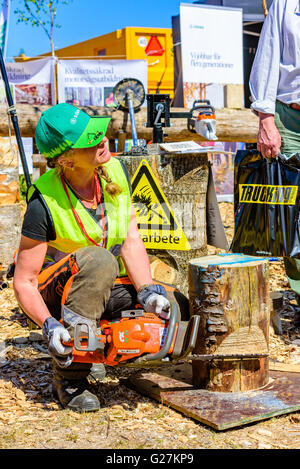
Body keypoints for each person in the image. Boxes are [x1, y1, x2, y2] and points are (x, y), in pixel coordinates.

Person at [13, 103, 184, 412]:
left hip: (98, 285)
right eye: (90, 140)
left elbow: (131, 239)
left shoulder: (114, 170)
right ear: (66, 160)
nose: (102, 138)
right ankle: (70, 378)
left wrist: (147, 291)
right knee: (100, 260)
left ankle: (97, 349)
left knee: (173, 302)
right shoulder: (44, 202)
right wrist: (49, 324)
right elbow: (24, 282)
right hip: (54, 295)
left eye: (98, 131)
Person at [249, 0, 300, 323]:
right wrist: (266, 118)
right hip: (289, 115)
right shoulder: (285, 3)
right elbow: (267, 56)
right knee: (291, 215)